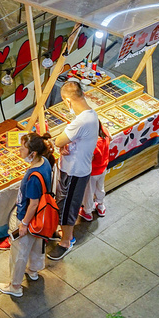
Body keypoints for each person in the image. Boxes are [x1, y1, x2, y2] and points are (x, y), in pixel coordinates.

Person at [0, 132, 55, 297]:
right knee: (36, 244)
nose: (19, 151)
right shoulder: (44, 162)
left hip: (29, 217)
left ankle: (15, 286)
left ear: (33, 153)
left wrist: (23, 223)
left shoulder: (33, 177)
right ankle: (33, 270)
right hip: (41, 218)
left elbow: (33, 203)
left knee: (19, 251)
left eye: (22, 148)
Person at [47, 82, 99, 261]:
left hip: (74, 171)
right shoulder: (91, 115)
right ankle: (63, 233)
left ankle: (66, 242)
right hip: (77, 169)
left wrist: (62, 143)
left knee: (68, 206)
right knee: (65, 203)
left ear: (68, 101)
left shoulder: (80, 122)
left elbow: (59, 141)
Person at [79, 121, 111, 221]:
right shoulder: (104, 132)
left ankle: (87, 211)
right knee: (100, 187)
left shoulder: (93, 143)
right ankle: (100, 205)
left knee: (89, 191)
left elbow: (89, 158)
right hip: (103, 168)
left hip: (92, 172)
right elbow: (110, 137)